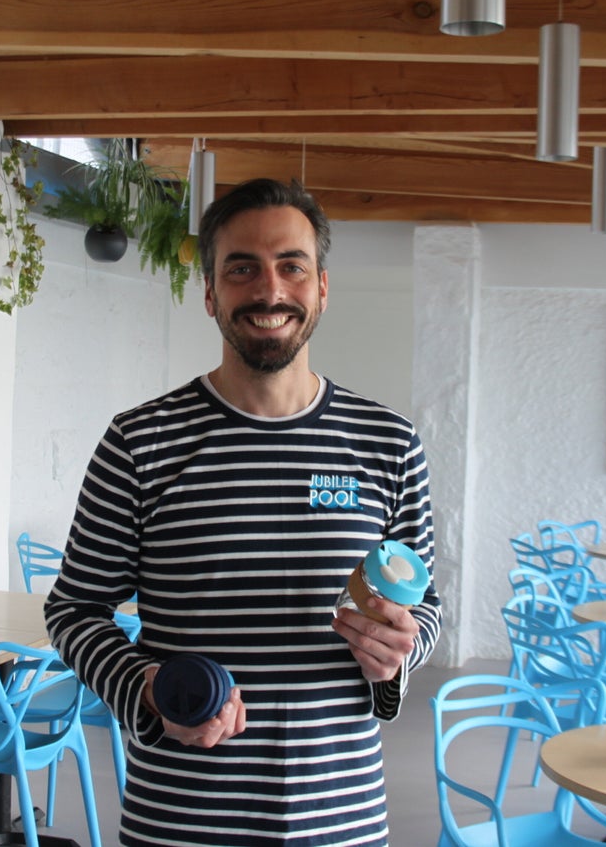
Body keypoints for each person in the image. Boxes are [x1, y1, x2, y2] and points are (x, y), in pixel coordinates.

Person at [44, 178, 443, 846]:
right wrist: (142, 688)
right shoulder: (138, 443)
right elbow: (74, 610)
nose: (269, 290)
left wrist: (401, 650)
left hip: (340, 815)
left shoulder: (389, 443)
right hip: (180, 819)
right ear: (209, 292)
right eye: (242, 268)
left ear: (322, 287)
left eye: (292, 266)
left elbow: (425, 602)